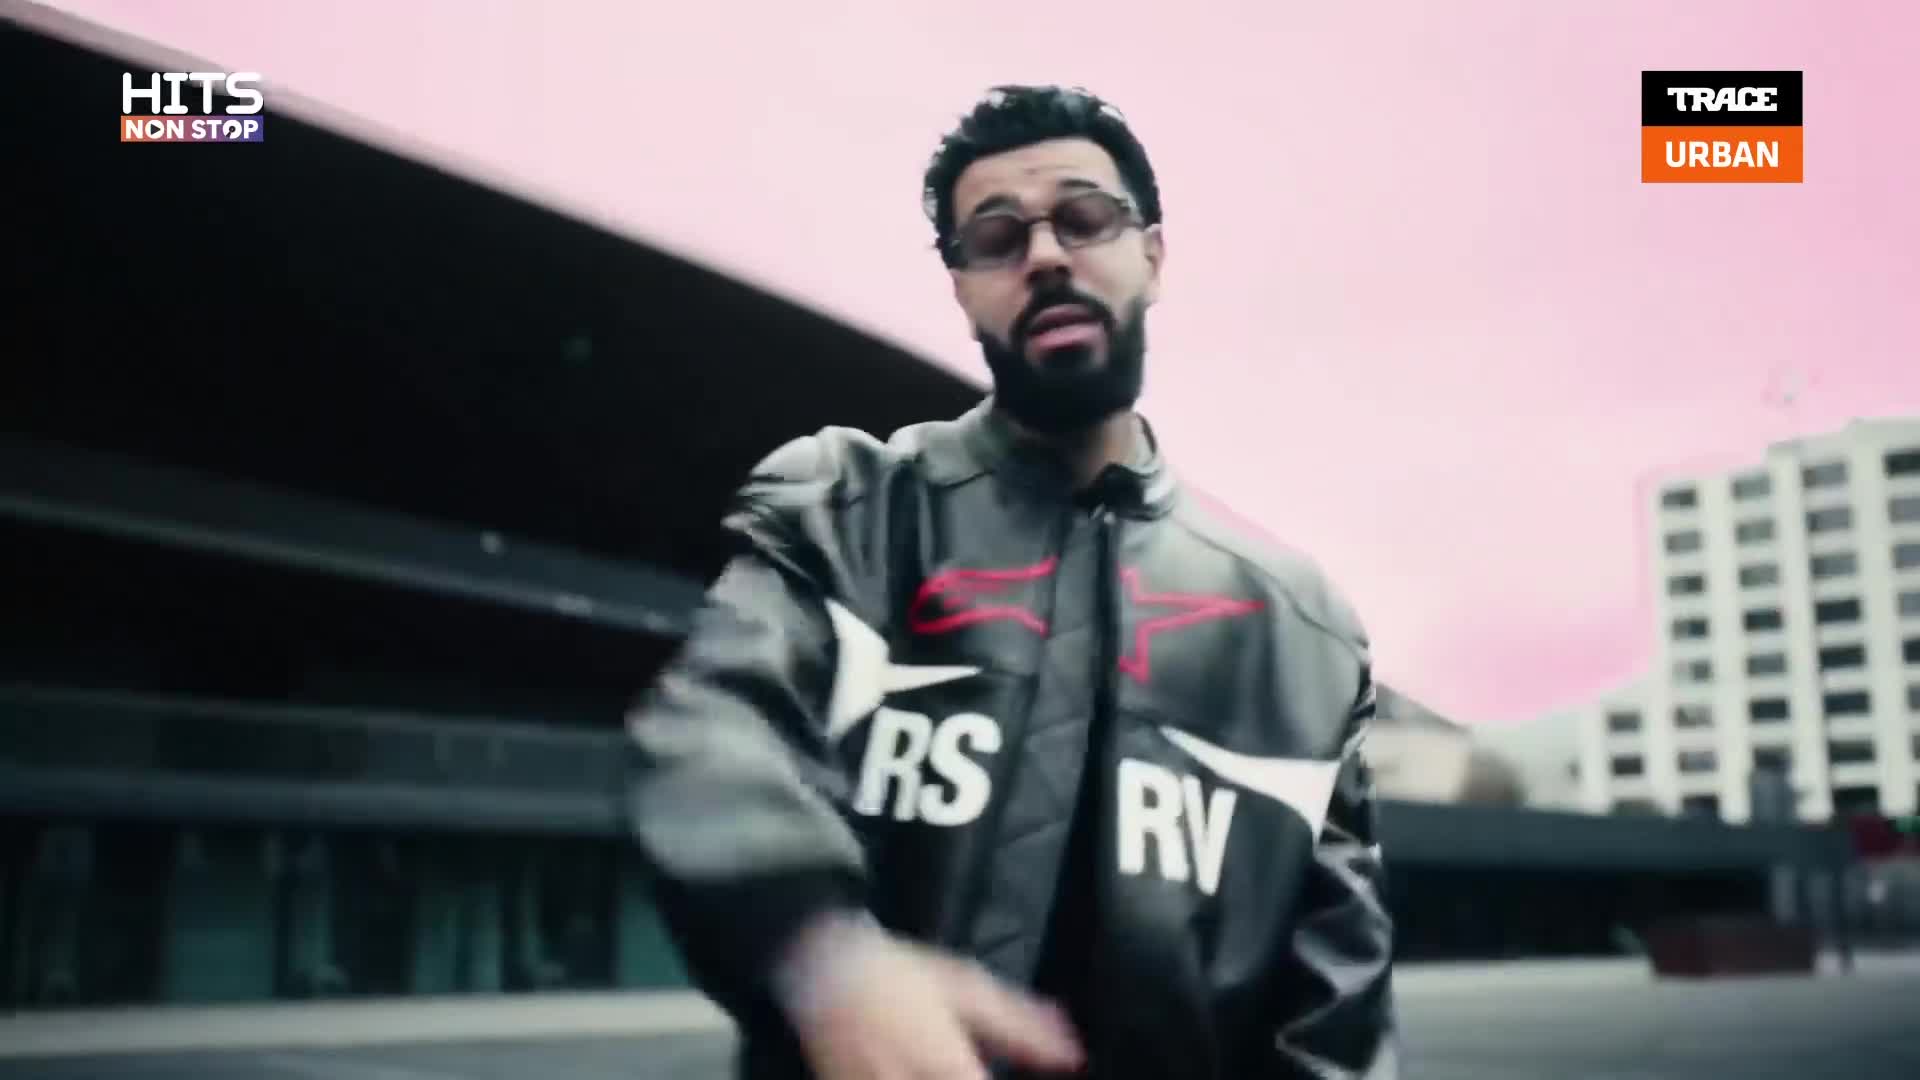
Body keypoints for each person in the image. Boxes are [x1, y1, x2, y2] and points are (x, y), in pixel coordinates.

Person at [625, 84, 1397, 1080]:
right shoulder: (848, 510)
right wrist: (826, 956)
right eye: (995, 238)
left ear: (1151, 255)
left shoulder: (1302, 634)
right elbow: (711, 729)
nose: (1043, 255)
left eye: (1084, 218)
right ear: (960, 285)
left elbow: (1336, 1019)